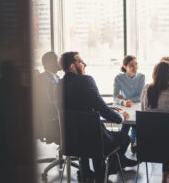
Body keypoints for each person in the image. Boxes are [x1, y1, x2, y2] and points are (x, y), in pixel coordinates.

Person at [55, 51, 137, 183]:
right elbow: (102, 109)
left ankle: (88, 174)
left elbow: (79, 106)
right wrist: (120, 117)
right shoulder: (86, 80)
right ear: (72, 66)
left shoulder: (58, 85)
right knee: (124, 137)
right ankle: (105, 171)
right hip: (94, 141)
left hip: (71, 141)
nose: (84, 64)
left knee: (91, 140)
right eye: (81, 61)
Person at [113, 55, 145, 154]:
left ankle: (124, 145)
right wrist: (123, 102)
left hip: (137, 106)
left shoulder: (141, 77)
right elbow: (115, 97)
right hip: (124, 106)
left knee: (135, 122)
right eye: (131, 65)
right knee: (127, 122)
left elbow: (141, 96)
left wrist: (128, 100)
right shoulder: (118, 78)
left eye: (136, 64)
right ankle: (128, 143)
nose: (135, 67)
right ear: (125, 66)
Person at [35, 51, 60, 143]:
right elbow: (46, 104)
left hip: (57, 118)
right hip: (52, 121)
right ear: (50, 63)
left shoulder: (56, 77)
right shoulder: (42, 79)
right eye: (57, 59)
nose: (59, 62)